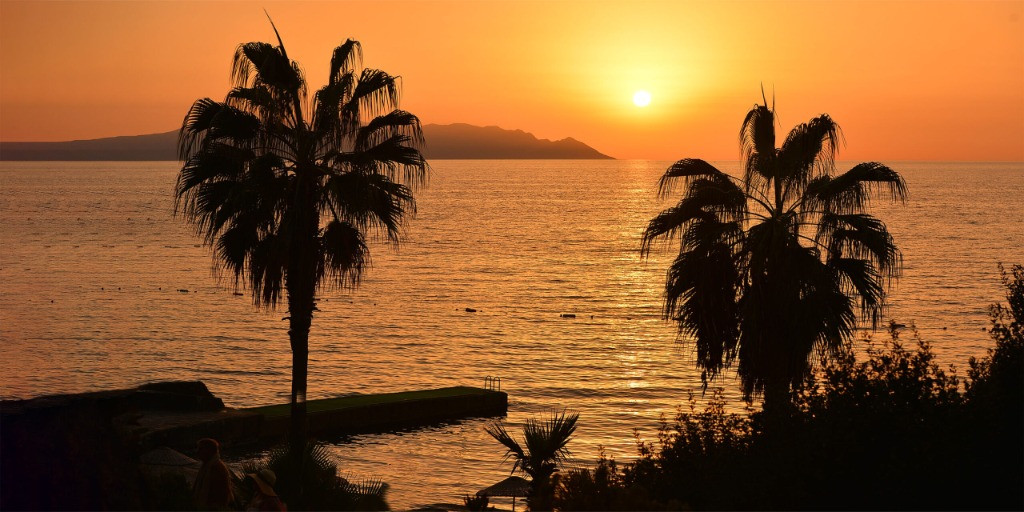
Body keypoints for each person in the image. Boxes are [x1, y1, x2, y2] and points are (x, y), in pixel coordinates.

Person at [192, 438, 233, 510]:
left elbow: (220, 497)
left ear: (209, 451)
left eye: (200, 449)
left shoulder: (217, 468)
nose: (197, 452)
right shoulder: (206, 466)